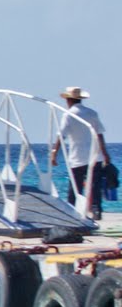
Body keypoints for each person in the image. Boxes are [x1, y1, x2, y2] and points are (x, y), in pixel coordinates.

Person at [51, 86, 110, 218]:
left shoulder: (68, 115)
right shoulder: (92, 113)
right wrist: (105, 153)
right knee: (95, 185)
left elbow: (61, 136)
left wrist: (54, 153)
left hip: (77, 156)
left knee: (75, 187)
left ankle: (72, 210)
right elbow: (99, 134)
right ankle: (96, 210)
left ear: (68, 100)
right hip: (95, 155)